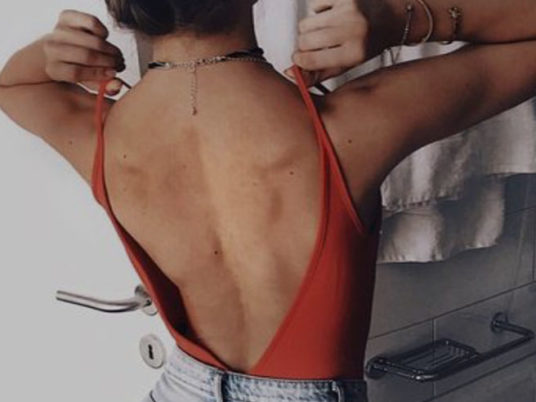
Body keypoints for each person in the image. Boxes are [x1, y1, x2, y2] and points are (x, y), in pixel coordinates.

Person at [0, 0, 535, 401]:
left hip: (180, 388)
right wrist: (402, 18)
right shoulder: (351, 125)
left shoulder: (102, 133)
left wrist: (48, 54)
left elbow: (13, 87)